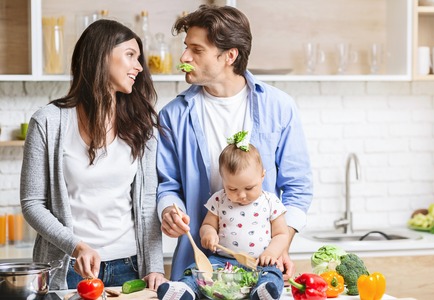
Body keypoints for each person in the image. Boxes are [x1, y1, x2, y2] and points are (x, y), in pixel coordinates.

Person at [157, 4, 313, 282]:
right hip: (199, 263)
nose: (184, 57)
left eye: (197, 49)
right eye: (186, 47)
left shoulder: (279, 107)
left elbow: (298, 187)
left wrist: (281, 243)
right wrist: (169, 209)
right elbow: (167, 185)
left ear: (230, 55)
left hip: (260, 263)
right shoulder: (173, 115)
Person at [20, 19, 166, 290]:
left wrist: (155, 266)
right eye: (130, 55)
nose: (139, 66)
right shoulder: (48, 122)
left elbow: (147, 204)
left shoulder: (142, 124)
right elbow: (32, 204)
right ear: (101, 55)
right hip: (70, 268)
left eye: (139, 58)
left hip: (130, 267)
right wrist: (77, 247)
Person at [157, 131, 289, 300]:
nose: (241, 195)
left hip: (258, 263)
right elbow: (208, 225)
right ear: (223, 180)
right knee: (198, 271)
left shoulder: (271, 202)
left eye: (249, 188)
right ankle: (184, 290)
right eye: (232, 189)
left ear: (262, 175)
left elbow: (281, 233)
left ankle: (262, 292)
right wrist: (209, 234)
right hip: (222, 262)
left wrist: (271, 252)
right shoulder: (219, 199)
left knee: (273, 273)